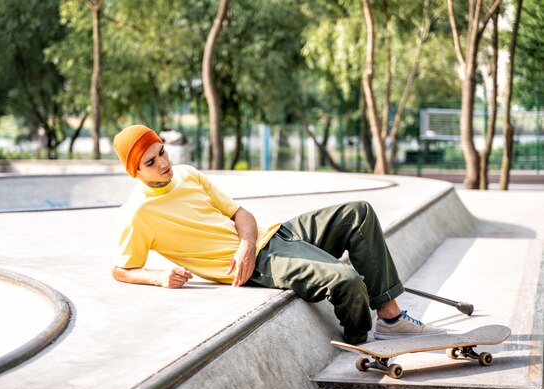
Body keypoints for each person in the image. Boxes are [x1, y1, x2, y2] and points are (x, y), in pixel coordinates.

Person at [111, 124, 445, 344]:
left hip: (274, 235)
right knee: (347, 280)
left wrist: (246, 242)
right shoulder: (139, 212)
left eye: (161, 152)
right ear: (135, 172)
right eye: (151, 162)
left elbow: (241, 214)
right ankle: (361, 342)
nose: (163, 164)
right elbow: (121, 269)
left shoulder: (187, 174)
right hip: (260, 264)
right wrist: (158, 276)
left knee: (359, 212)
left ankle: (390, 318)